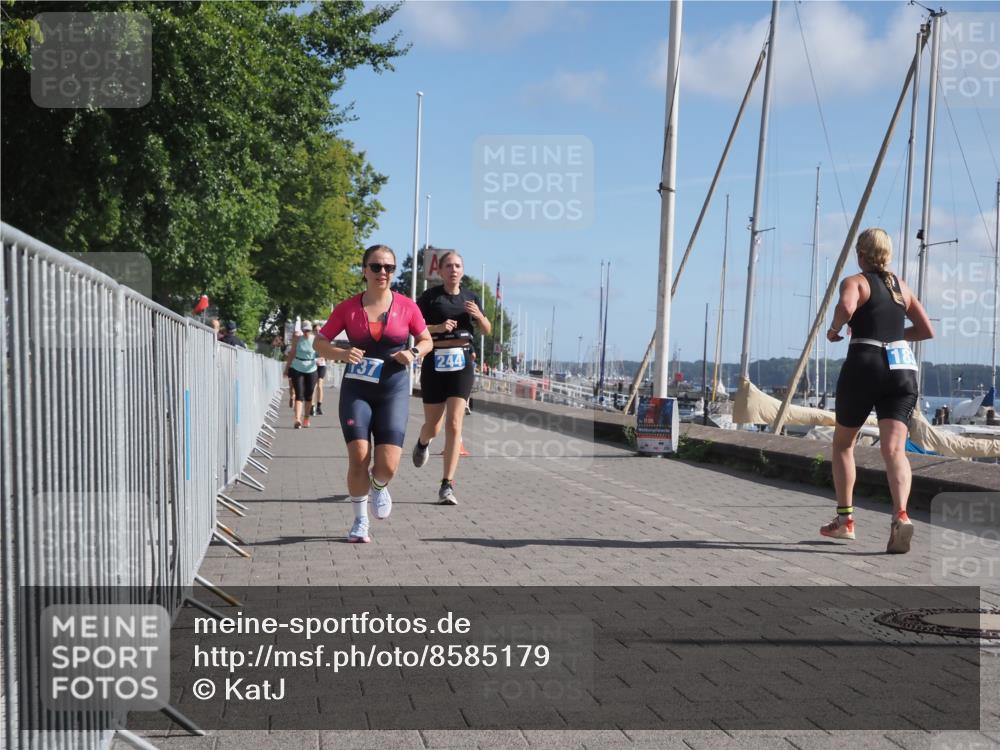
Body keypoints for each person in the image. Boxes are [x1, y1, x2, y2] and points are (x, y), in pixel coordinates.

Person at [822, 228, 933, 553]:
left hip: (865, 363)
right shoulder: (902, 287)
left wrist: (835, 329)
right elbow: (926, 330)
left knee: (843, 444)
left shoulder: (856, 281)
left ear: (861, 254)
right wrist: (894, 336)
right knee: (895, 451)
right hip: (902, 370)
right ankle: (901, 515)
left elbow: (846, 306)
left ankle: (845, 520)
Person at [314, 245, 432, 543]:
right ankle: (360, 521)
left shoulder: (407, 306)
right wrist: (341, 353)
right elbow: (319, 343)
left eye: (389, 268)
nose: (383, 272)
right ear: (364, 270)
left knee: (388, 465)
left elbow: (426, 340)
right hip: (358, 389)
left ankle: (379, 486)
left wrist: (413, 352)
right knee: (358, 456)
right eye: (376, 267)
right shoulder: (348, 308)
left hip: (393, 389)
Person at [411, 251, 491, 505]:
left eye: (457, 266)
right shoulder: (430, 297)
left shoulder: (471, 298)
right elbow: (414, 328)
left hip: (462, 362)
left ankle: (447, 485)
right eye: (448, 266)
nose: (453, 270)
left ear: (462, 270)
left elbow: (487, 330)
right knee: (433, 425)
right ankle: (423, 442)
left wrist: (479, 316)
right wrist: (438, 327)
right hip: (435, 360)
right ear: (441, 271)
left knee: (455, 424)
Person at [312, 321, 327, 417]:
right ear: (313, 331)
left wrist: (321, 358)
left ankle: (319, 406)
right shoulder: (310, 340)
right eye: (316, 330)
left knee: (320, 385)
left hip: (321, 365)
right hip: (312, 365)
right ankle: (311, 406)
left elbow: (326, 352)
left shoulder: (323, 340)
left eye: (319, 330)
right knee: (313, 386)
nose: (317, 332)